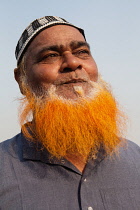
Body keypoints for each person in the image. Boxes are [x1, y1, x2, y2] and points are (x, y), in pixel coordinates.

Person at [0, 16, 140, 210]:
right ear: (21, 79)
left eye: (82, 52)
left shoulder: (136, 158)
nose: (73, 62)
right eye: (50, 55)